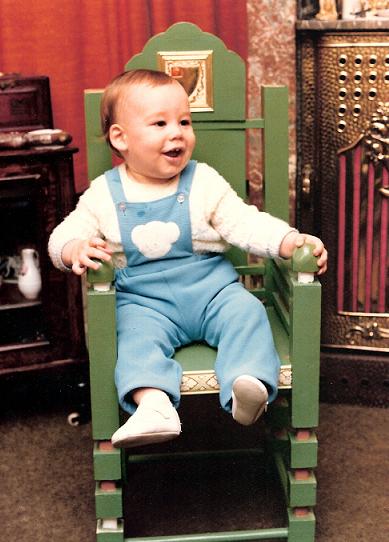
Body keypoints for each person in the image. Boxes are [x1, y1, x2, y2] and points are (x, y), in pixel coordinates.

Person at [48, 69, 327, 449]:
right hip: (144, 303)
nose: (176, 132)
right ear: (121, 138)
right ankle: (154, 405)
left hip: (212, 290)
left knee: (246, 313)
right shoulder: (103, 195)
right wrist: (72, 248)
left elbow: (243, 221)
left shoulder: (203, 181)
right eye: (160, 123)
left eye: (184, 121)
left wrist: (288, 241)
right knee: (133, 341)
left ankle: (249, 384)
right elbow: (62, 235)